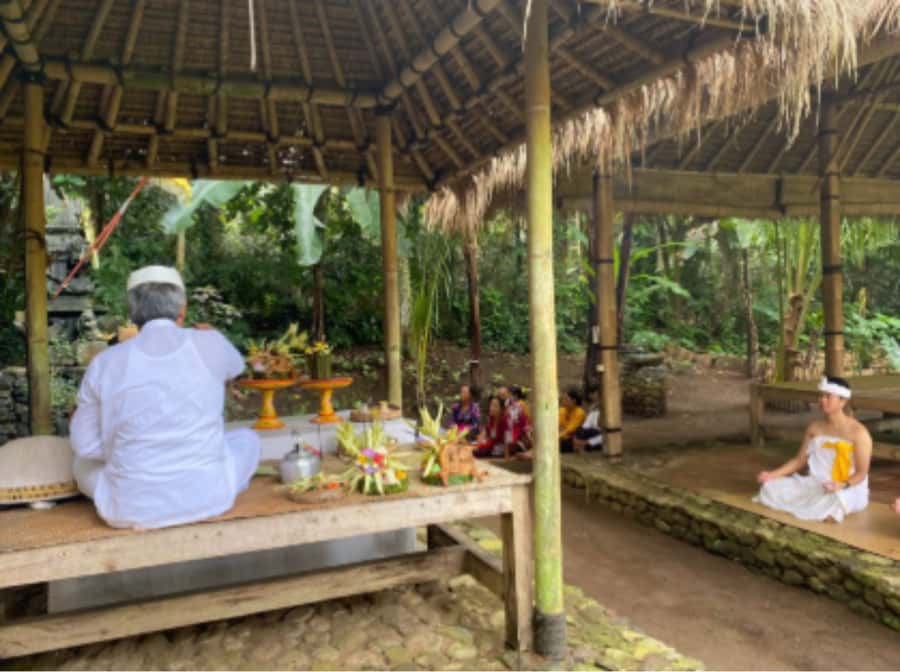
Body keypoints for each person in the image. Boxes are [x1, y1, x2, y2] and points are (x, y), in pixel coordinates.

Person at [69, 265, 260, 529]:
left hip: (130, 507)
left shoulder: (106, 362)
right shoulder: (210, 342)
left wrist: (133, 445)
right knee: (248, 440)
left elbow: (85, 445)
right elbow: (236, 367)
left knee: (80, 465)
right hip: (209, 497)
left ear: (132, 313)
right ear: (182, 308)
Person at [754, 376, 872, 523]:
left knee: (836, 500)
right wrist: (772, 475)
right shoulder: (815, 427)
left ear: (843, 401)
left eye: (828, 396)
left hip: (848, 487)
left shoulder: (859, 433)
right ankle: (816, 507)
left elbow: (861, 473)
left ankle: (827, 508)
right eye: (821, 395)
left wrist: (841, 484)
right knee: (770, 487)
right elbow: (799, 460)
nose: (822, 400)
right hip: (818, 483)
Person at [571, 385, 604, 453]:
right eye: (593, 394)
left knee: (597, 435)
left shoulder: (604, 410)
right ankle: (579, 445)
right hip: (590, 432)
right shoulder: (593, 410)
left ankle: (581, 445)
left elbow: (602, 434)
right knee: (580, 430)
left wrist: (586, 442)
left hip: (597, 435)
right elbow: (586, 425)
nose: (593, 396)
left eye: (595, 394)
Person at [558, 388, 587, 453]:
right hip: (564, 437)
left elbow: (570, 430)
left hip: (574, 440)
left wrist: (557, 437)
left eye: (566, 398)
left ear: (574, 401)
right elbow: (556, 425)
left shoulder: (579, 412)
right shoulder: (562, 410)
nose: (563, 400)